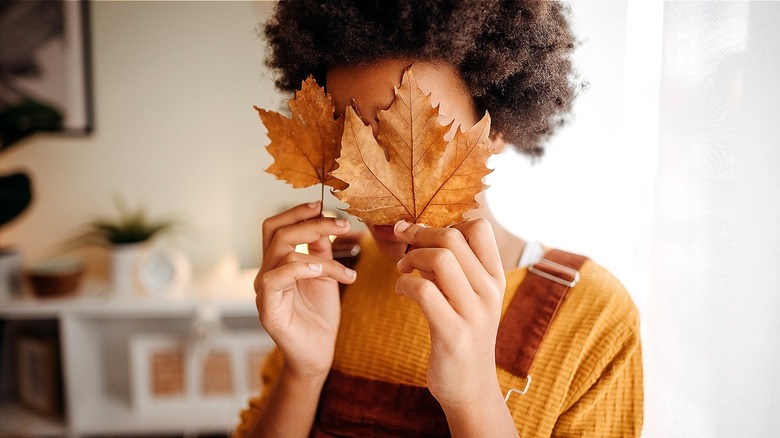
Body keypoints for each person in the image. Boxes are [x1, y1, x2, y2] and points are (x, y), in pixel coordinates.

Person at [236, 1, 643, 436]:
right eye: (341, 136)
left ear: (495, 129)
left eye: (400, 136)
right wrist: (303, 373)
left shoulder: (595, 318)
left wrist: (474, 397)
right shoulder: (324, 281)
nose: (353, 179)